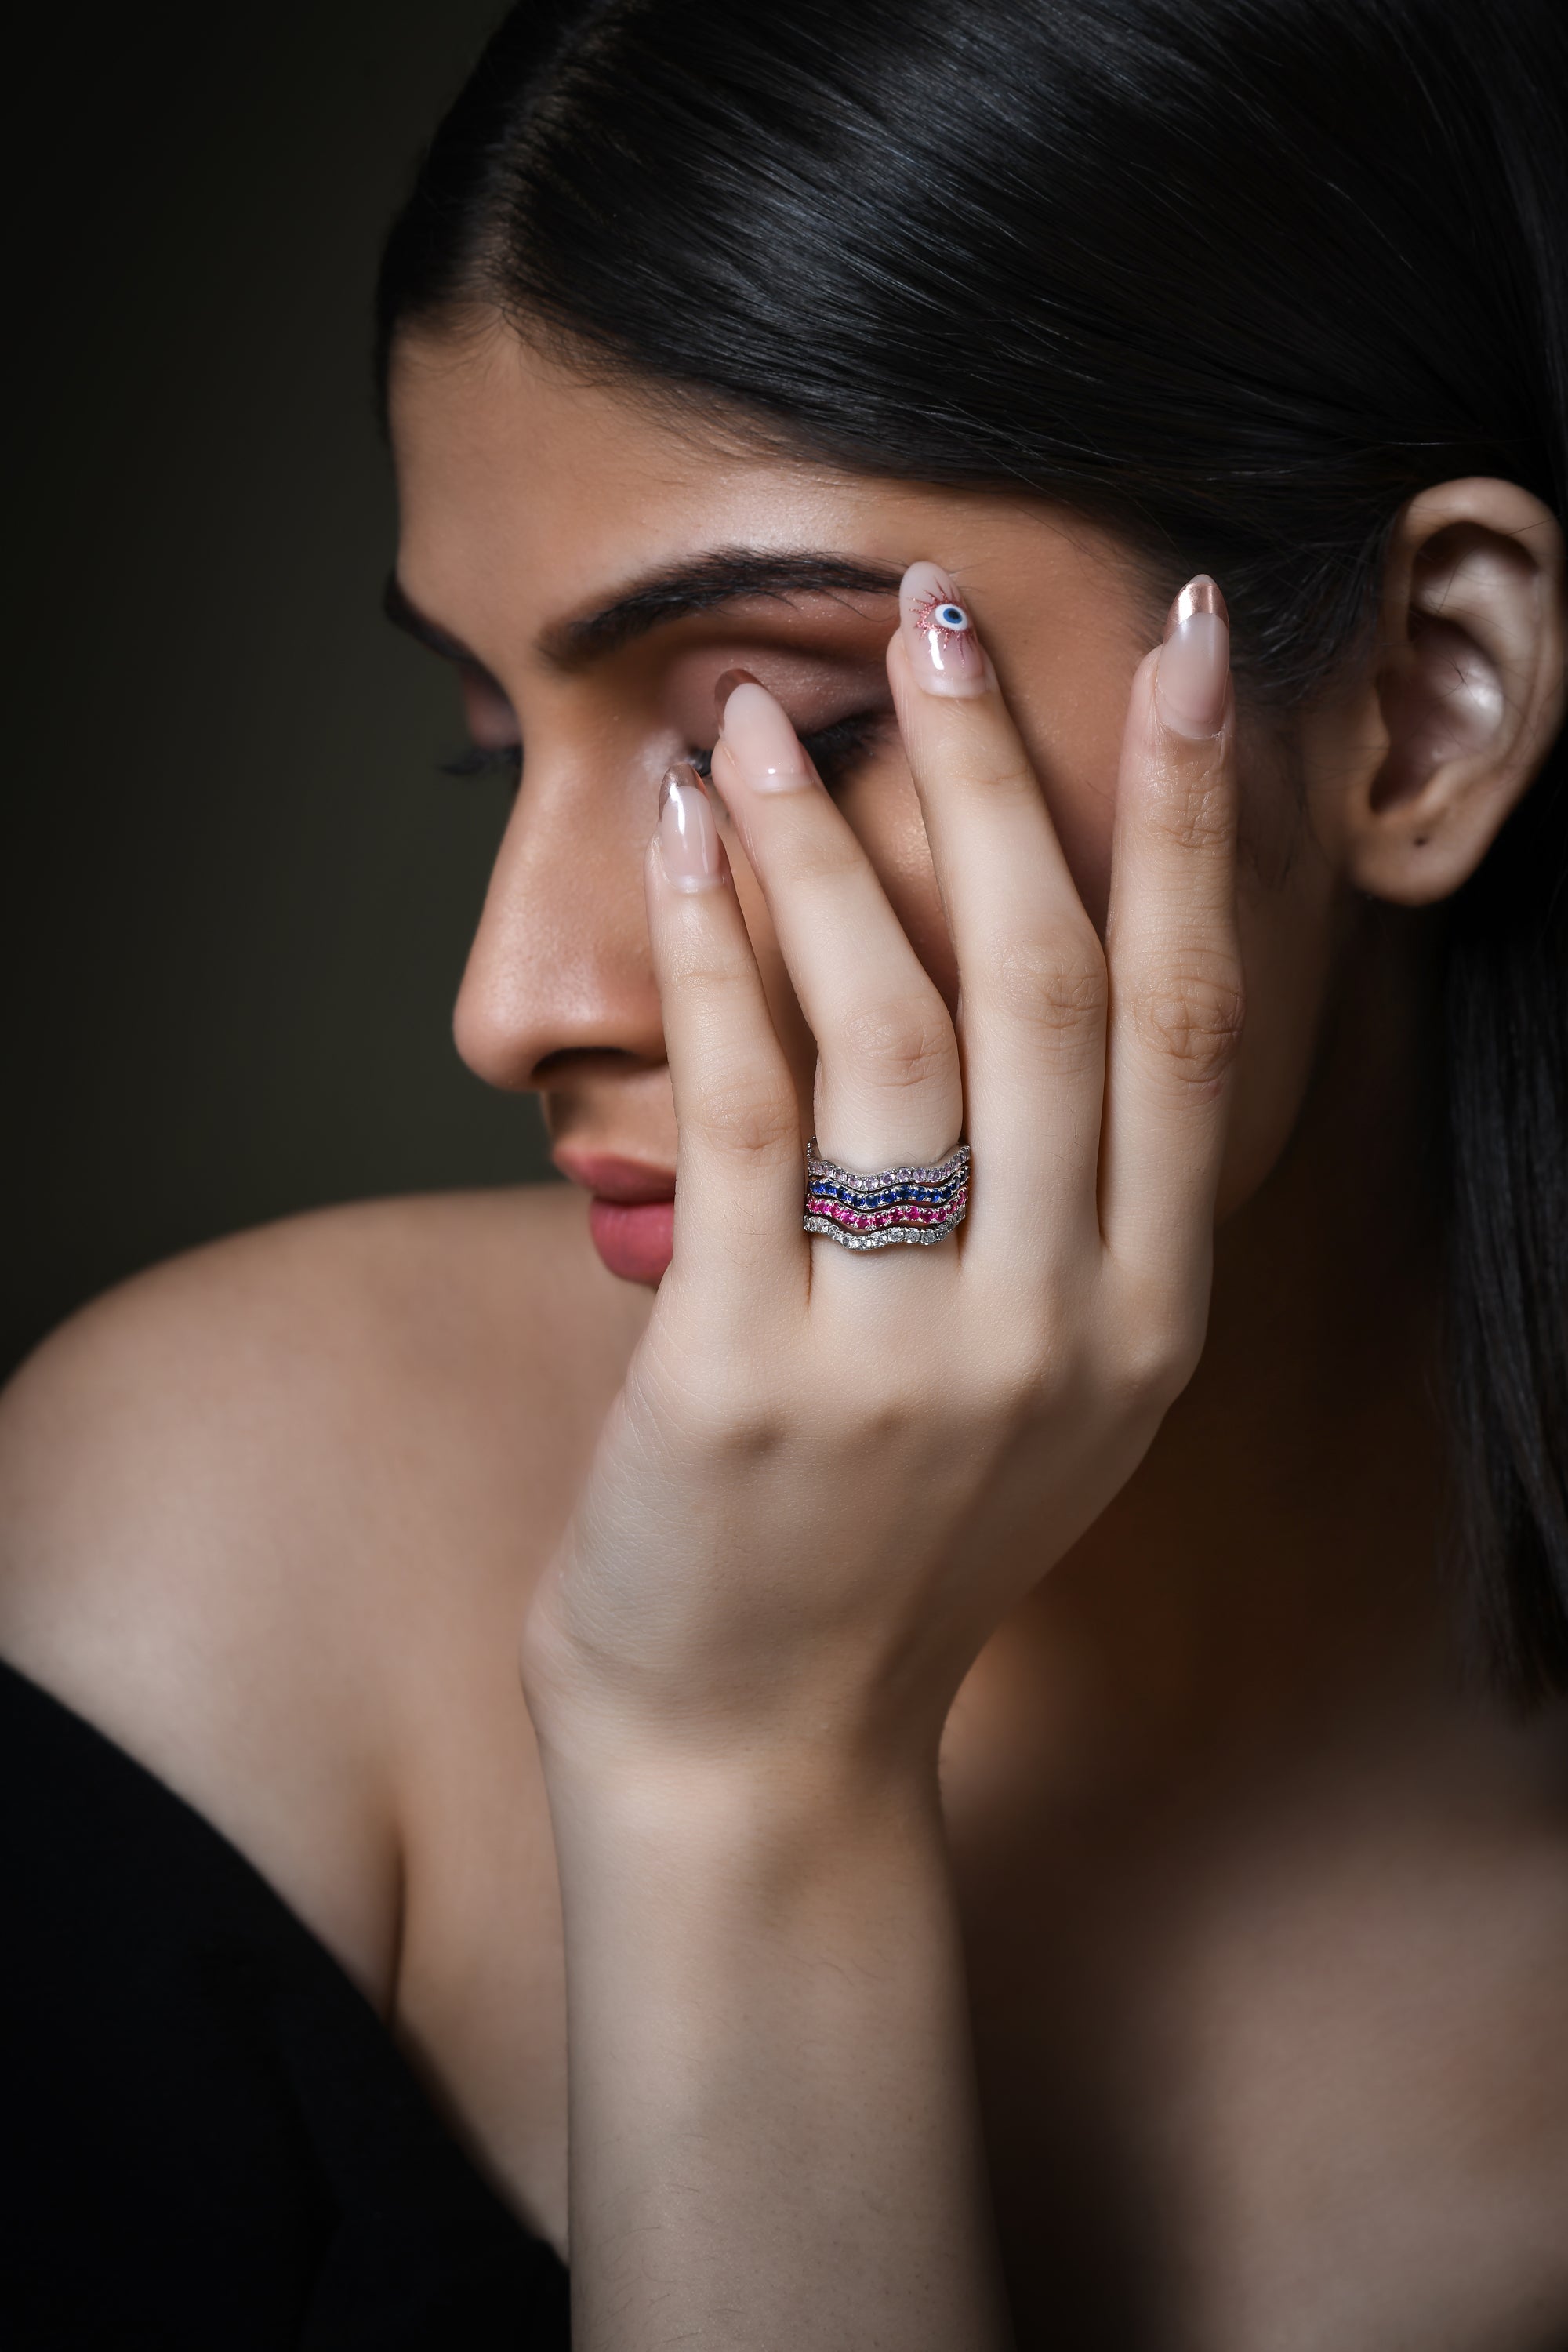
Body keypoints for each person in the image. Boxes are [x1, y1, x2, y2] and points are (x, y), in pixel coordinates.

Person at [3, 0, 1566, 2342]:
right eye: (485, 744)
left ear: (1428, 697)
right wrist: (724, 1758)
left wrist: (744, 1766)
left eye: (781, 733)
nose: (515, 994)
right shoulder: (208, 1549)